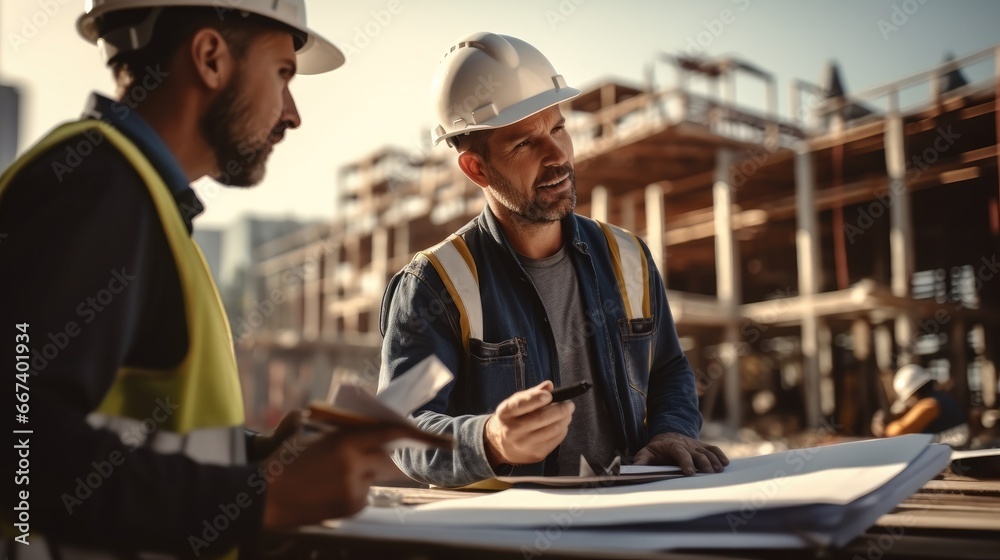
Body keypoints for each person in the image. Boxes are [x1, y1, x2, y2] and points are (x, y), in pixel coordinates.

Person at [0, 1, 415, 557]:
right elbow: (22, 445)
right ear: (211, 58)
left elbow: (131, 430)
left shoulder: (141, 200)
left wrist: (261, 455)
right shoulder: (98, 188)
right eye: (283, 74)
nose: (292, 114)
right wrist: (263, 496)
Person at [378, 32, 728, 488]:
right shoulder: (436, 284)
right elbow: (403, 430)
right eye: (525, 143)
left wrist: (671, 430)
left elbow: (668, 369)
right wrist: (490, 441)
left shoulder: (630, 258)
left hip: (633, 520)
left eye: (558, 128)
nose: (558, 156)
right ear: (476, 169)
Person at [871, 364, 969, 447]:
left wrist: (886, 428)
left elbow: (899, 432)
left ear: (914, 394)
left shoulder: (929, 405)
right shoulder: (940, 398)